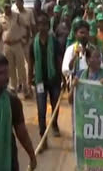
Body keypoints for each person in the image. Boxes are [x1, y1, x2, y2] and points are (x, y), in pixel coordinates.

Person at [0, 53, 36, 171]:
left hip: (7, 161)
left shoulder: (12, 101)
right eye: (0, 73)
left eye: (7, 72)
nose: (6, 77)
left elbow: (21, 132)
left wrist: (32, 155)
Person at [28, 12, 62, 151]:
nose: (42, 26)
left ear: (49, 26)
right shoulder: (33, 43)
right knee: (41, 110)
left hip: (54, 80)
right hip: (40, 81)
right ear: (37, 26)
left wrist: (64, 78)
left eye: (44, 24)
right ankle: (43, 139)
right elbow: (31, 62)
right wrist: (29, 79)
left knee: (55, 106)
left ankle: (54, 124)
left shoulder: (54, 42)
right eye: (39, 24)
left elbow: (59, 60)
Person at [0, 0, 28, 96]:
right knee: (10, 67)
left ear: (10, 7)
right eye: (5, 7)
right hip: (7, 46)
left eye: (8, 7)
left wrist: (26, 39)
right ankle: (14, 87)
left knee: (21, 67)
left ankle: (25, 86)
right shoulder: (0, 19)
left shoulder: (17, 16)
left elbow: (26, 26)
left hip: (17, 44)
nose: (7, 9)